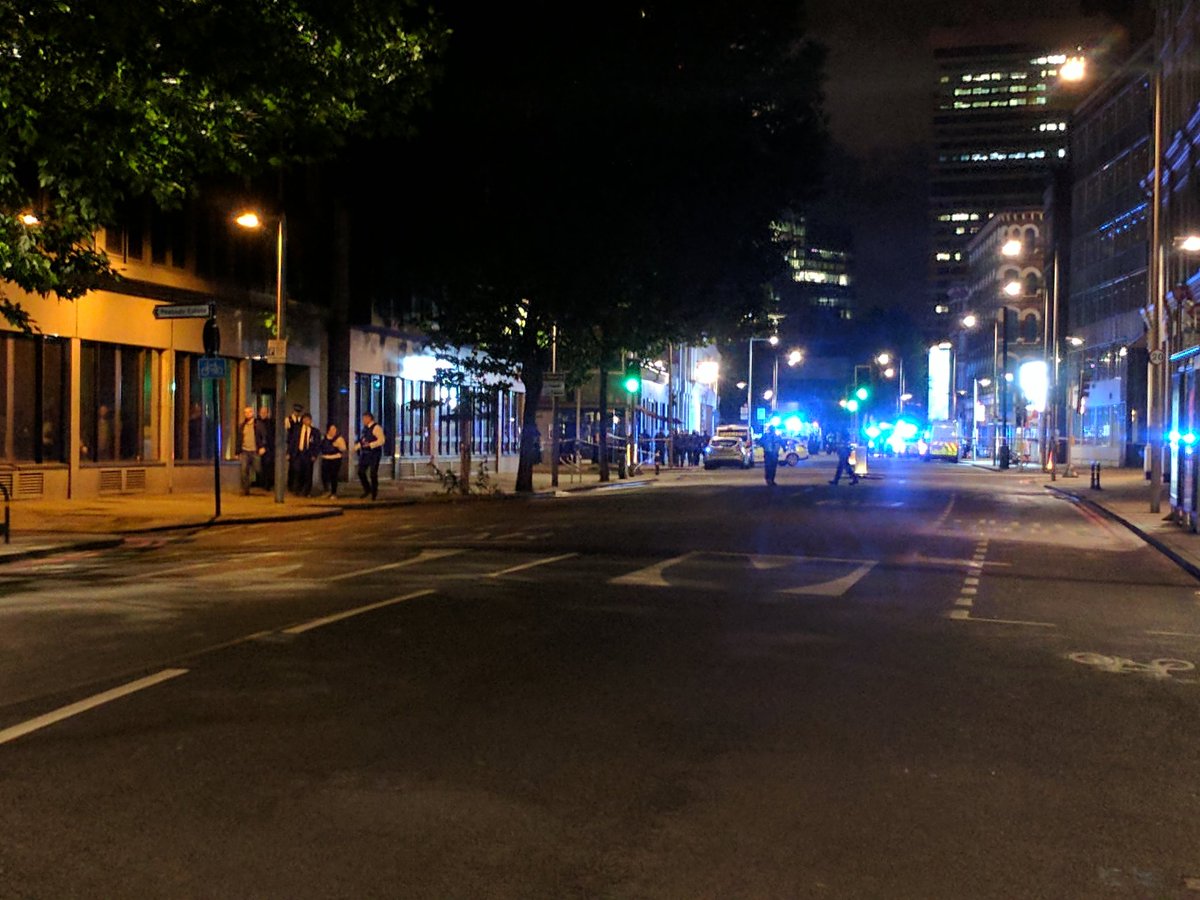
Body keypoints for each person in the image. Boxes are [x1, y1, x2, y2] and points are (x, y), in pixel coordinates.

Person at [355, 411, 385, 500]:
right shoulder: (365, 429)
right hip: (365, 453)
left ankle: (374, 493)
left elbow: (382, 440)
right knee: (361, 472)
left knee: (373, 473)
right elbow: (362, 440)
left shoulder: (376, 428)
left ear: (369, 418)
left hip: (374, 454)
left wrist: (371, 445)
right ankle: (367, 489)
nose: (363, 420)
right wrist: (356, 447)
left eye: (364, 418)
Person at [238, 405, 268, 495]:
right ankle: (245, 490)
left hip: (255, 450)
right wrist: (237, 451)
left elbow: (264, 436)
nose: (247, 414)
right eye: (245, 412)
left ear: (253, 413)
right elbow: (239, 439)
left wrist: (263, 447)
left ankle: (265, 485)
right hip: (245, 451)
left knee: (258, 469)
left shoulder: (258, 425)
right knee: (244, 470)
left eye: (249, 412)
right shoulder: (242, 426)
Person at [288, 412, 319, 496]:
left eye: (308, 419)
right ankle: (297, 489)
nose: (306, 421)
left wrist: (314, 455)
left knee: (308, 473)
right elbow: (292, 442)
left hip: (308, 454)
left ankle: (306, 491)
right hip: (298, 453)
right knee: (297, 471)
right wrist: (289, 453)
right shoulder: (297, 430)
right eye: (304, 419)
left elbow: (317, 444)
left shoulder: (315, 432)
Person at [318, 423, 347, 498]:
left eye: (334, 429)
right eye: (332, 429)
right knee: (324, 475)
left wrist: (337, 446)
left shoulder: (339, 439)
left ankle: (334, 492)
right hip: (326, 458)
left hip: (335, 459)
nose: (333, 431)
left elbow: (343, 448)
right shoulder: (324, 438)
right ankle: (326, 490)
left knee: (334, 475)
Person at [284, 403, 304, 490]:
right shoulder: (288, 419)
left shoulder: (301, 420)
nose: (297, 413)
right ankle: (291, 485)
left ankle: (297, 485)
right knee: (292, 467)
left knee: (299, 467)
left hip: (299, 444)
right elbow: (286, 432)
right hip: (291, 445)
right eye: (296, 411)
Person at [257, 405, 275, 489]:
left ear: (268, 413)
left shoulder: (271, 423)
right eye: (262, 412)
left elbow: (272, 436)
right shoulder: (256, 423)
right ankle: (261, 482)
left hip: (269, 448)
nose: (263, 414)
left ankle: (267, 484)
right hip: (258, 447)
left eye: (265, 412)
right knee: (260, 466)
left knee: (268, 466)